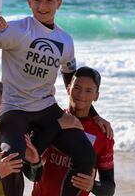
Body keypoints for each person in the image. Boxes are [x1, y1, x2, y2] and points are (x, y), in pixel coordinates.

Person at [0, 0, 112, 196]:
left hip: (46, 109)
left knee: (86, 155)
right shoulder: (17, 30)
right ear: (29, 2)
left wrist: (94, 114)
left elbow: (70, 84)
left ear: (59, 3)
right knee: (11, 159)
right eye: (37, 0)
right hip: (15, 109)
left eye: (49, 0)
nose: (43, 6)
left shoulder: (65, 41)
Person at [31, 66, 115, 196]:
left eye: (88, 90)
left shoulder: (102, 134)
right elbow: (31, 167)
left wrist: (93, 185)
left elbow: (109, 187)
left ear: (96, 96)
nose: (81, 95)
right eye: (77, 88)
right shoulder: (52, 119)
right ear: (68, 88)